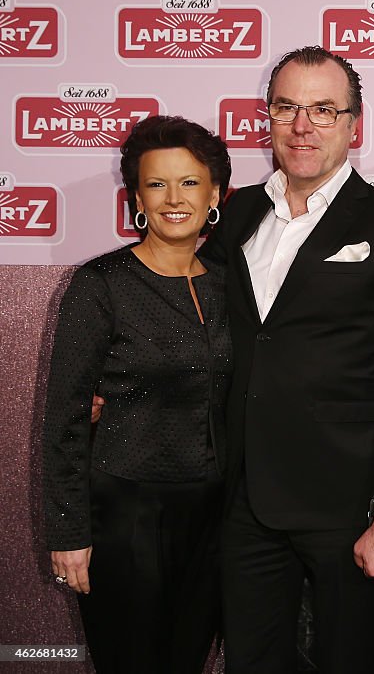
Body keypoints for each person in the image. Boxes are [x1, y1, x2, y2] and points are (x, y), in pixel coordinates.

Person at [197, 46, 374, 673]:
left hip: (349, 507)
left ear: (354, 125)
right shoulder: (234, 215)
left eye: (324, 110)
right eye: (288, 107)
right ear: (269, 117)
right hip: (245, 500)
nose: (303, 126)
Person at [43, 115, 232, 673]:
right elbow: (66, 415)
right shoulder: (101, 283)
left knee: (187, 661)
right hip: (125, 515)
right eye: (157, 184)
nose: (175, 199)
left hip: (214, 517)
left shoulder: (230, 285)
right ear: (136, 198)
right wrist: (67, 531)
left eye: (190, 183)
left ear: (215, 193)